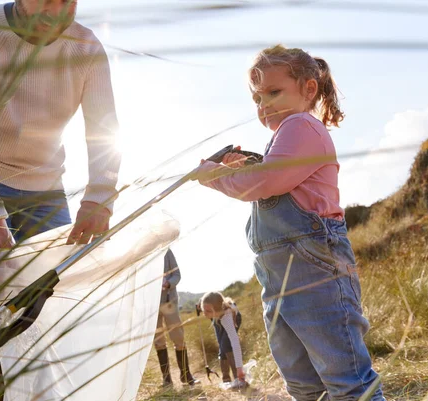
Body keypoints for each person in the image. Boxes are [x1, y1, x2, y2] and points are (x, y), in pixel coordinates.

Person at [0, 1, 120, 400]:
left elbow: (105, 128)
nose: (56, 10)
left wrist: (99, 197)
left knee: (49, 301)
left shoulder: (85, 47)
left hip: (46, 189)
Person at [194, 45, 385, 400]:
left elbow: (265, 183)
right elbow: (271, 176)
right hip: (279, 281)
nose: (263, 104)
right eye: (257, 97)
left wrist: (214, 174)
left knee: (347, 378)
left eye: (274, 92)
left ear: (308, 89)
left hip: (317, 274)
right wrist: (249, 164)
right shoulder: (285, 137)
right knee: (301, 382)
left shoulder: (302, 126)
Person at [153, 249, 198, 387]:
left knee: (178, 337)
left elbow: (177, 275)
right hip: (151, 306)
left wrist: (167, 284)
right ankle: (167, 379)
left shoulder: (166, 251)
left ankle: (186, 375)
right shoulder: (142, 250)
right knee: (159, 341)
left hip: (169, 302)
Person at [199, 292, 244, 385]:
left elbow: (235, 343)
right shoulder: (209, 307)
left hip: (230, 318)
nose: (204, 314)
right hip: (216, 318)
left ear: (217, 310)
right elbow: (204, 305)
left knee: (226, 344)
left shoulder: (227, 317)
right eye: (203, 309)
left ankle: (238, 378)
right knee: (221, 345)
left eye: (207, 311)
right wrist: (201, 308)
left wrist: (240, 368)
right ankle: (226, 380)